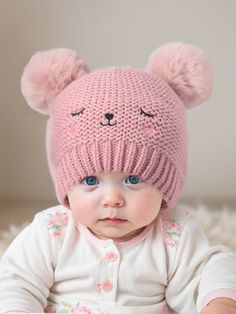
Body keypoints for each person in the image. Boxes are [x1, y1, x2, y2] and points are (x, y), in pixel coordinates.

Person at [0, 42, 235, 314]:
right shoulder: (51, 231)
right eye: (90, 181)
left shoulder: (175, 234)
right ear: (65, 186)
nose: (112, 199)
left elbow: (212, 269)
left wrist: (220, 302)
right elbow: (16, 283)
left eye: (133, 180)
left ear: (165, 185)